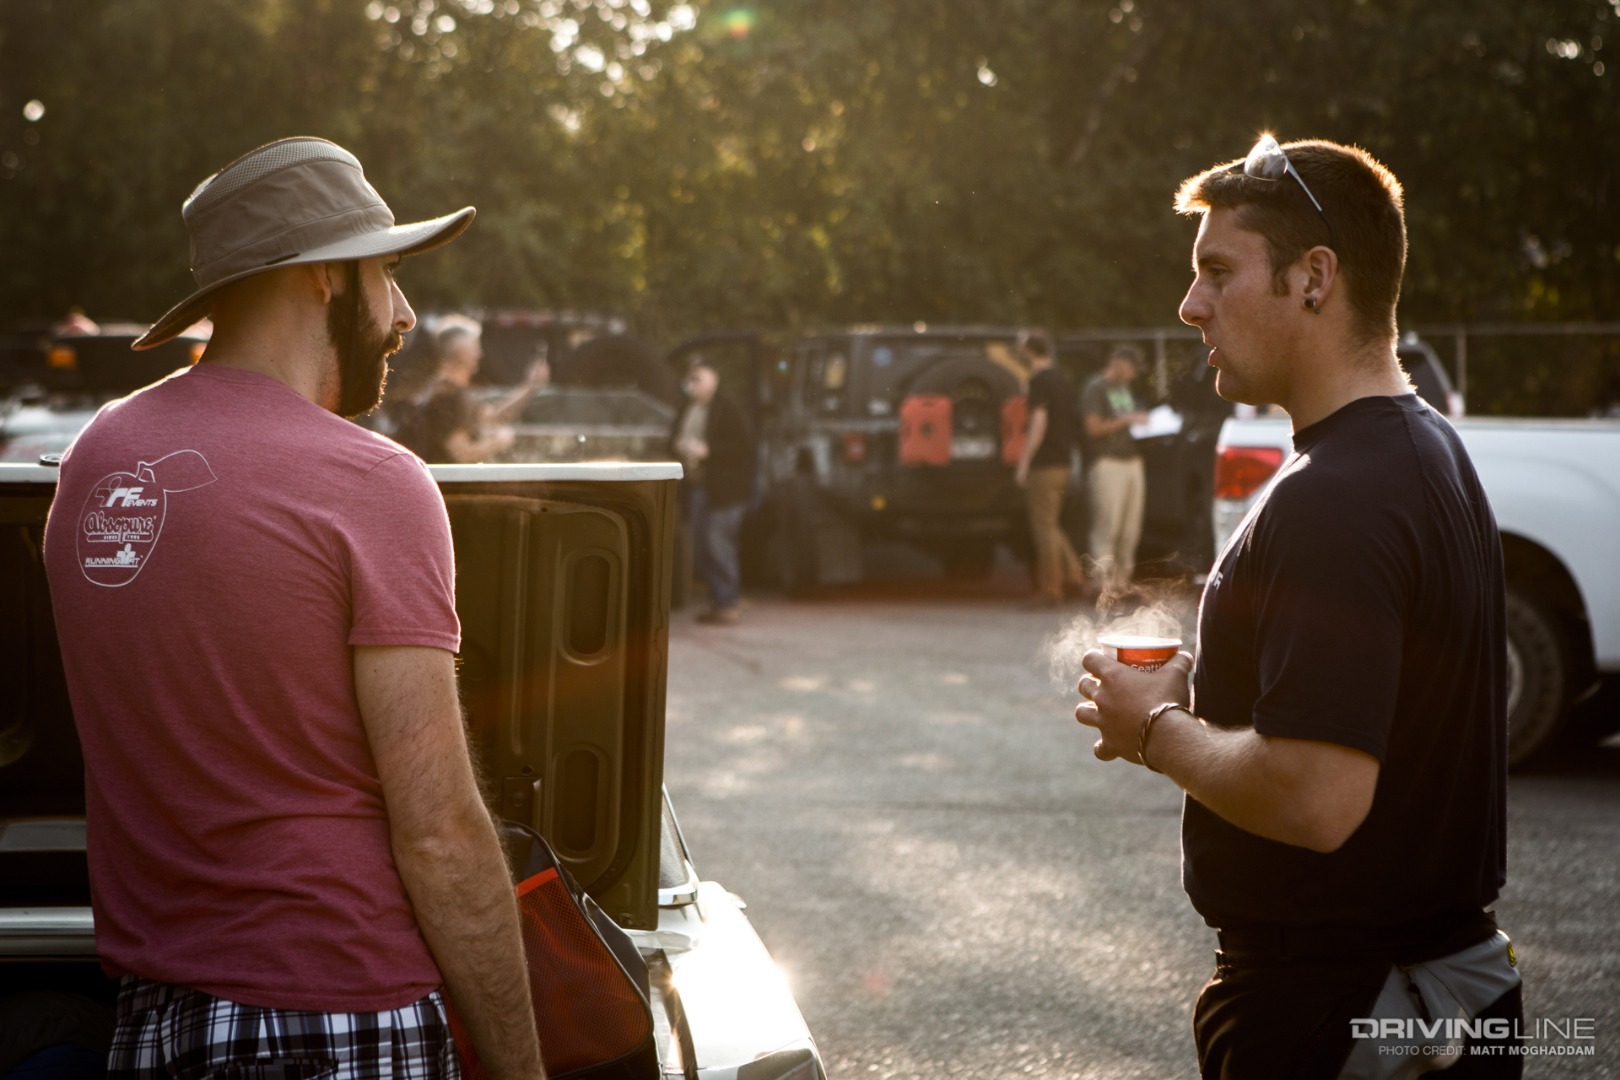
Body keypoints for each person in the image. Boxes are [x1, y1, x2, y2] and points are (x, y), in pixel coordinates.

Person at [42, 137, 545, 1080]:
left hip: (155, 1025)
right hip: (338, 1021)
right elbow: (439, 831)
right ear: (322, 279)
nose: (403, 313)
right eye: (388, 271)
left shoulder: (98, 460)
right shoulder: (372, 482)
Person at [1074, 135, 1520, 1076]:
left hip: (1352, 1011)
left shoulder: (1338, 494)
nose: (1189, 305)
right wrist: (1224, 678)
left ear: (1314, 277)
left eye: (1217, 272)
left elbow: (1318, 799)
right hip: (1432, 998)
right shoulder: (1424, 446)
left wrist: (1154, 726)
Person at [670, 355, 753, 624]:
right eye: (690, 378)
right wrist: (678, 446)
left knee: (719, 545)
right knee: (701, 548)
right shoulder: (688, 407)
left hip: (725, 491)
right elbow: (673, 437)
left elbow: (745, 446)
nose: (692, 383)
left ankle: (728, 602)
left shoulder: (729, 407)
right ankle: (722, 598)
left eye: (698, 377)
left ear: (714, 378)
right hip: (699, 487)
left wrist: (708, 451)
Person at [399, 314, 549, 462]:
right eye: (475, 347)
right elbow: (461, 454)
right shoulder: (445, 395)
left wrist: (530, 386)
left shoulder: (453, 392)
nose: (480, 354)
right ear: (461, 351)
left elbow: (493, 418)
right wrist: (496, 443)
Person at [1012, 328, 1085, 607]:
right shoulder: (1061, 379)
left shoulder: (1039, 380)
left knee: (1043, 527)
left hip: (1045, 463)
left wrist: (1024, 461)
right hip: (1064, 461)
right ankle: (1075, 577)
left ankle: (1050, 589)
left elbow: (1039, 422)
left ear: (1030, 351)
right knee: (1052, 524)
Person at [1080, 344, 1149, 594]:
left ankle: (1122, 582)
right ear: (1118, 363)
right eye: (1131, 369)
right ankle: (1102, 583)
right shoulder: (1096, 388)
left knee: (1130, 527)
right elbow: (1093, 428)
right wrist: (1128, 420)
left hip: (1132, 461)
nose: (1133, 376)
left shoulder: (1124, 389)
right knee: (1107, 525)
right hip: (1107, 461)